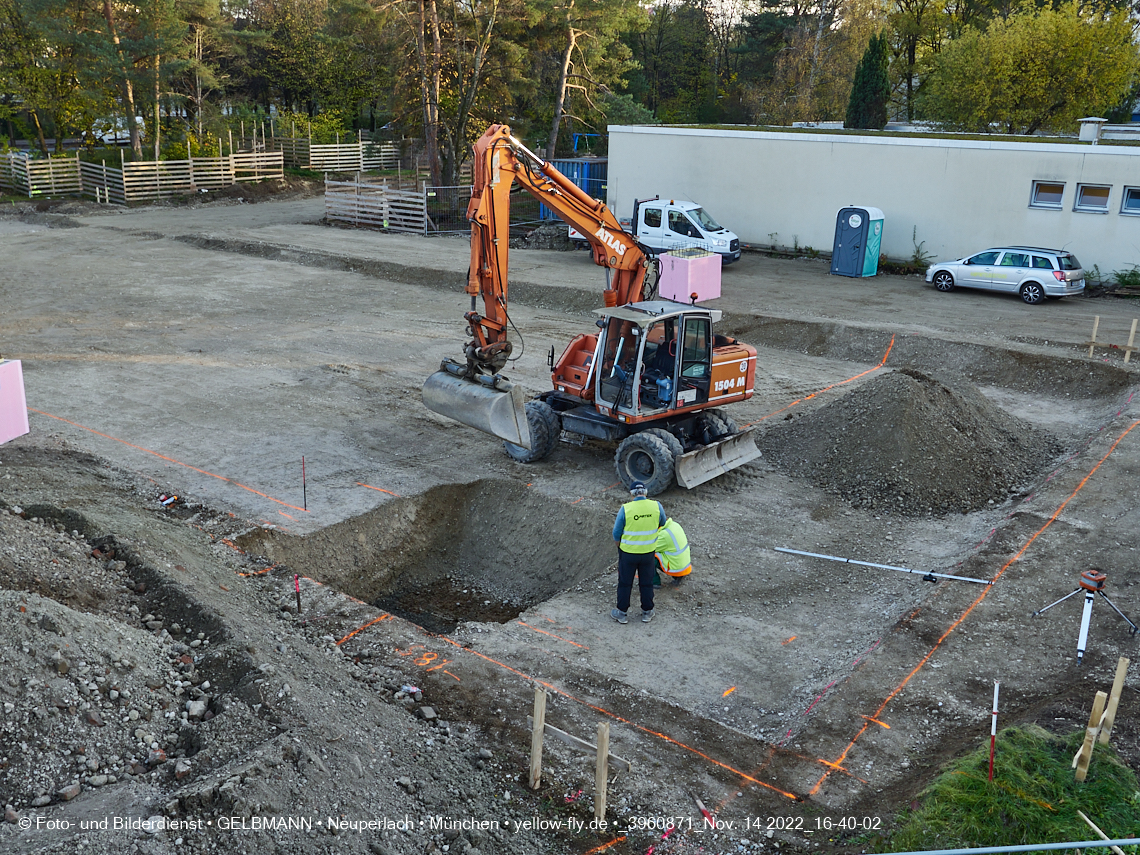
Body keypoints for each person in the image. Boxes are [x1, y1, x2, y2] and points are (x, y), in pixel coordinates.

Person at [611, 481, 665, 624]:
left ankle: (622, 613)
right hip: (648, 553)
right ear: (645, 492)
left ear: (631, 494)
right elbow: (663, 523)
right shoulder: (656, 506)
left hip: (628, 553)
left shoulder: (626, 509)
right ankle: (647, 612)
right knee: (646, 582)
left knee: (624, 583)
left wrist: (620, 547)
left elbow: (616, 533)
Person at [652, 517, 692, 587]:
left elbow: (648, 548)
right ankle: (678, 576)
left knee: (646, 557)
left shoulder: (664, 535)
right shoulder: (674, 525)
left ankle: (654, 582)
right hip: (684, 565)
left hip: (677, 568)